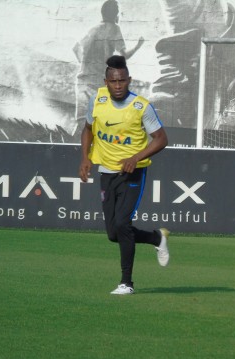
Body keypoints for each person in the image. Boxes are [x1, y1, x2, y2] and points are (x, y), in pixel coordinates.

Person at [78, 55, 169, 295]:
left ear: (129, 80)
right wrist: (85, 158)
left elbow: (161, 139)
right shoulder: (97, 100)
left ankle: (126, 282)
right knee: (113, 234)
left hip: (133, 172)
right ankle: (156, 238)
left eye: (122, 81)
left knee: (122, 223)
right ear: (105, 81)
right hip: (106, 172)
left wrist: (135, 158)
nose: (118, 85)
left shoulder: (141, 107)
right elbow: (87, 130)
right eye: (113, 81)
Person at [73, 0, 144, 129]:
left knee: (81, 126)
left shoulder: (93, 29)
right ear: (116, 15)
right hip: (98, 84)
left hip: (82, 80)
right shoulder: (114, 28)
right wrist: (138, 46)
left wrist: (84, 65)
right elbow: (124, 56)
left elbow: (75, 48)